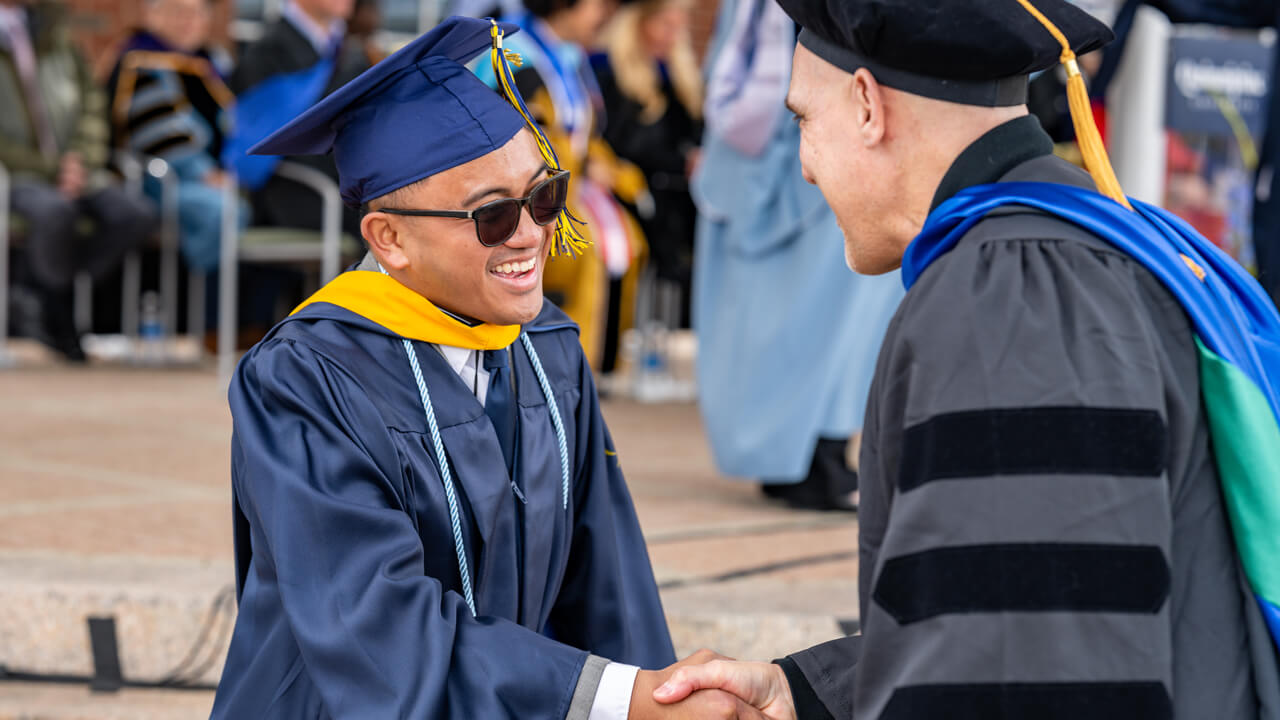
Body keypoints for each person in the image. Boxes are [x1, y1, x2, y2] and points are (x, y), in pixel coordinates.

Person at [638, 0, 1280, 718]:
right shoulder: (1104, 243)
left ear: (865, 104)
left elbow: (1025, 683)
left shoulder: (1012, 296)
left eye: (802, 123)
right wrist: (807, 694)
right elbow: (1027, 600)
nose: (808, 168)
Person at [211, 17, 760, 719]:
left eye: (543, 195)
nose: (532, 233)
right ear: (389, 238)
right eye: (492, 215)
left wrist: (665, 697)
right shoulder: (303, 381)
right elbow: (380, 634)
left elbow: (609, 590)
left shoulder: (549, 349)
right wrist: (618, 698)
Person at [692, 0, 903, 511]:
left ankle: (815, 455)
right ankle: (791, 460)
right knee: (784, 323)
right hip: (771, 158)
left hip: (811, 155)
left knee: (829, 322)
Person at [478, 0, 650, 372]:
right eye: (597, 4)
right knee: (582, 247)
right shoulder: (512, 56)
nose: (606, 13)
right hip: (521, 199)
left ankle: (593, 369)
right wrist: (579, 165)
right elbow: (520, 139)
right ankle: (566, 373)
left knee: (628, 240)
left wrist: (610, 170)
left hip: (568, 188)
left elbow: (583, 135)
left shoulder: (569, 58)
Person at [1, 0, 155, 361]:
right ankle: (57, 312)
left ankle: (45, 295)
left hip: (77, 170)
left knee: (134, 214)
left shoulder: (54, 31)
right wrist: (49, 167)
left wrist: (79, 160)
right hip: (15, 174)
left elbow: (91, 103)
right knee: (55, 213)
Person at [106, 0, 241, 275]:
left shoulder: (210, 62)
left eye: (198, 12)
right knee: (220, 211)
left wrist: (236, 166)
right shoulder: (141, 61)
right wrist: (204, 172)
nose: (189, 20)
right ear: (153, 16)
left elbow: (236, 124)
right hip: (158, 179)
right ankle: (192, 300)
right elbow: (161, 131)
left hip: (214, 179)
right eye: (179, 11)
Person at [591, 0, 703, 324]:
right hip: (633, 210)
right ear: (637, 22)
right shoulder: (607, 74)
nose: (673, 35)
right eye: (664, 24)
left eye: (678, 25)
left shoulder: (680, 79)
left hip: (679, 217)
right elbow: (619, 148)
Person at [225, 0, 369, 237]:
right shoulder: (268, 52)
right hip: (293, 191)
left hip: (345, 183)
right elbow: (260, 144)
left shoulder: (347, 49)